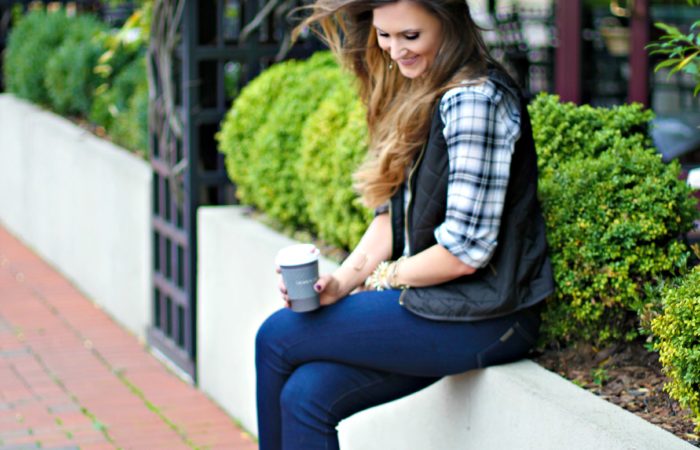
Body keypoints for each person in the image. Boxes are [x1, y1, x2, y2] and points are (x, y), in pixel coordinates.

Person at [255, 0, 554, 448]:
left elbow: (464, 252)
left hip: (489, 314)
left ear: (449, 22)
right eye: (385, 36)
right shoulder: (422, 87)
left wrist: (383, 279)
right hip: (440, 303)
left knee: (278, 336)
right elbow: (390, 221)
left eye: (410, 36)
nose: (396, 50)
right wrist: (340, 282)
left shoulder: (474, 100)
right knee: (306, 394)